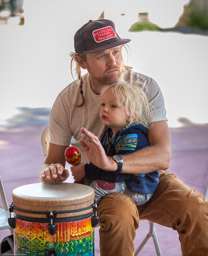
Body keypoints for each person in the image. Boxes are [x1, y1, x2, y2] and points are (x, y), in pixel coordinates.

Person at [40, 19, 208, 256]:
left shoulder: (145, 87)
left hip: (148, 177)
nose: (114, 62)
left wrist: (113, 162)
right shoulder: (67, 100)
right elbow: (53, 160)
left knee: (197, 209)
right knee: (120, 214)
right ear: (81, 61)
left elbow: (162, 155)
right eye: (101, 56)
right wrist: (53, 171)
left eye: (116, 51)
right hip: (103, 186)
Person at [71, 81, 160, 205]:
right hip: (122, 179)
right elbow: (104, 164)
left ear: (130, 115)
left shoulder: (132, 137)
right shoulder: (109, 133)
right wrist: (85, 170)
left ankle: (86, 218)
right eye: (103, 104)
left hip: (138, 188)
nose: (105, 109)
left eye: (113, 106)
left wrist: (87, 170)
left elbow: (118, 173)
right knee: (86, 183)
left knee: (97, 187)